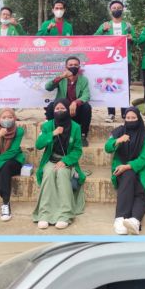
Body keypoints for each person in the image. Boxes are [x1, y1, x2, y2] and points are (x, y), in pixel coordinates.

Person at [32, 98, 86, 230]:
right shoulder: (47, 126)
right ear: (53, 110)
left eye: (63, 109)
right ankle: (44, 214)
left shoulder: (76, 127)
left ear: (68, 110)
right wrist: (53, 133)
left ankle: (65, 214)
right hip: (51, 159)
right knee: (49, 173)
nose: (60, 111)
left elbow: (78, 150)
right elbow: (38, 145)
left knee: (62, 173)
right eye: (57, 109)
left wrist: (65, 161)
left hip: (67, 160)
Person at [106, 107, 145, 235]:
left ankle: (134, 220)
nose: (130, 120)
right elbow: (107, 147)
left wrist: (128, 166)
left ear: (139, 119)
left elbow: (143, 158)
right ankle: (121, 218)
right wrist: (117, 141)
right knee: (129, 176)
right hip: (120, 167)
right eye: (128, 118)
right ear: (124, 119)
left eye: (133, 118)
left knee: (141, 189)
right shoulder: (118, 131)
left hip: (140, 168)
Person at [95, 0, 135, 120]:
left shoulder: (127, 26)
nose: (116, 10)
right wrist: (103, 30)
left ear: (123, 10)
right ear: (110, 10)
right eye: (114, 8)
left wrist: (131, 39)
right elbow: (95, 38)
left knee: (125, 87)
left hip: (124, 61)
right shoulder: (105, 25)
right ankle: (111, 113)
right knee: (109, 86)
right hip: (109, 61)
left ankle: (125, 112)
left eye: (119, 8)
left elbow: (135, 41)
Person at [44, 56, 93, 146]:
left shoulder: (83, 80)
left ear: (79, 67)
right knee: (51, 106)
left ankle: (83, 135)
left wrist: (75, 102)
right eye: (70, 65)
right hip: (62, 109)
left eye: (75, 65)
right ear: (66, 67)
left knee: (86, 107)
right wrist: (61, 77)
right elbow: (48, 87)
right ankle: (51, 133)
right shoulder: (61, 77)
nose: (73, 67)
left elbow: (86, 95)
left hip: (76, 110)